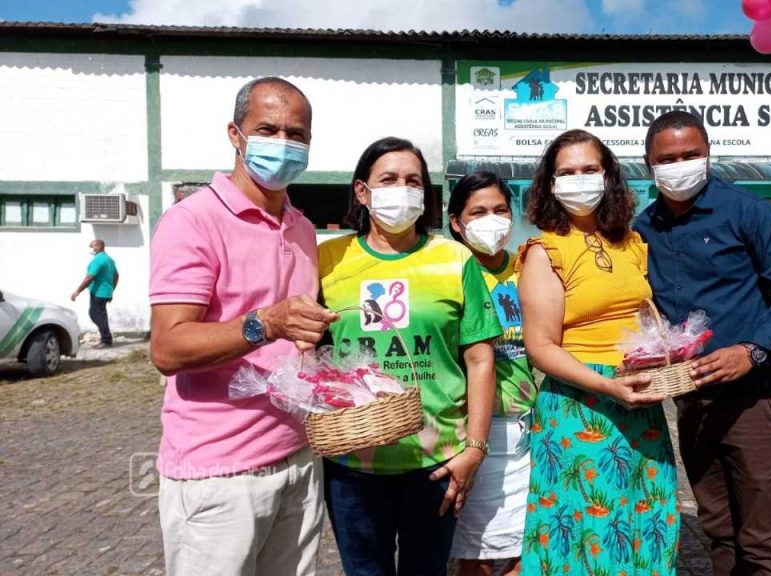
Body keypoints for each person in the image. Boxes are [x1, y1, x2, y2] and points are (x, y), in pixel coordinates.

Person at [149, 77, 335, 575]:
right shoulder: (193, 220)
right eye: (267, 129)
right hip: (218, 472)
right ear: (236, 134)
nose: (283, 143)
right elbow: (167, 347)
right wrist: (264, 324)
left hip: (297, 455)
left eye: (296, 134)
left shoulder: (302, 228)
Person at [634, 111, 771, 576]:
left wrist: (752, 350)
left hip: (758, 397)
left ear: (709, 155)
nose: (680, 165)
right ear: (648, 164)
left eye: (691, 155)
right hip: (693, 399)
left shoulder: (748, 211)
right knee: (718, 528)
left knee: (764, 541)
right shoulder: (643, 228)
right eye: (668, 158)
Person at [318, 137, 502, 576]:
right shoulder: (326, 258)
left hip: (436, 463)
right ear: (362, 191)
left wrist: (474, 449)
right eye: (389, 179)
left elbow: (480, 361)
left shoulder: (455, 259)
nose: (402, 188)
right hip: (353, 463)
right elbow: (308, 353)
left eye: (413, 180)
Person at [517, 129, 678, 575]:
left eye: (589, 169)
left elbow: (645, 314)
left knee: (645, 518)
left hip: (637, 398)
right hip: (580, 404)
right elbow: (540, 347)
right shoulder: (544, 250)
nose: (579, 179)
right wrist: (608, 385)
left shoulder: (630, 242)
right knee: (588, 525)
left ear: (608, 177)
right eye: (566, 172)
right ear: (550, 185)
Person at [447, 172, 535, 576]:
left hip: (527, 424)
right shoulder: (449, 271)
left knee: (526, 547)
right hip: (471, 428)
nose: (492, 219)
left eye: (500, 210)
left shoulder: (527, 268)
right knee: (476, 551)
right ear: (456, 223)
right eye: (477, 212)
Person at [71, 239, 118, 348]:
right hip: (105, 293)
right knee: (100, 315)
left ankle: (106, 340)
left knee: (95, 314)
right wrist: (111, 290)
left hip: (98, 293)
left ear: (101, 246)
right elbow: (116, 276)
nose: (93, 249)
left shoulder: (98, 260)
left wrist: (77, 291)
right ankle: (106, 338)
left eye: (94, 246)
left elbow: (89, 277)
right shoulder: (110, 260)